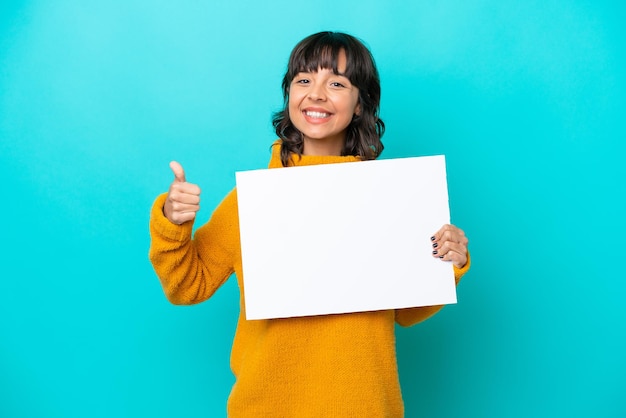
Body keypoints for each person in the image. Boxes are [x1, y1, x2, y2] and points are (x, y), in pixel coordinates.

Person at [149, 31, 470, 417]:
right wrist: (172, 221)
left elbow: (406, 313)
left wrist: (446, 264)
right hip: (266, 407)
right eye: (304, 80)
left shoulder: (390, 199)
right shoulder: (251, 201)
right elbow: (187, 284)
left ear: (359, 105)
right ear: (289, 97)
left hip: (366, 407)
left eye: (336, 83)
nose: (316, 93)